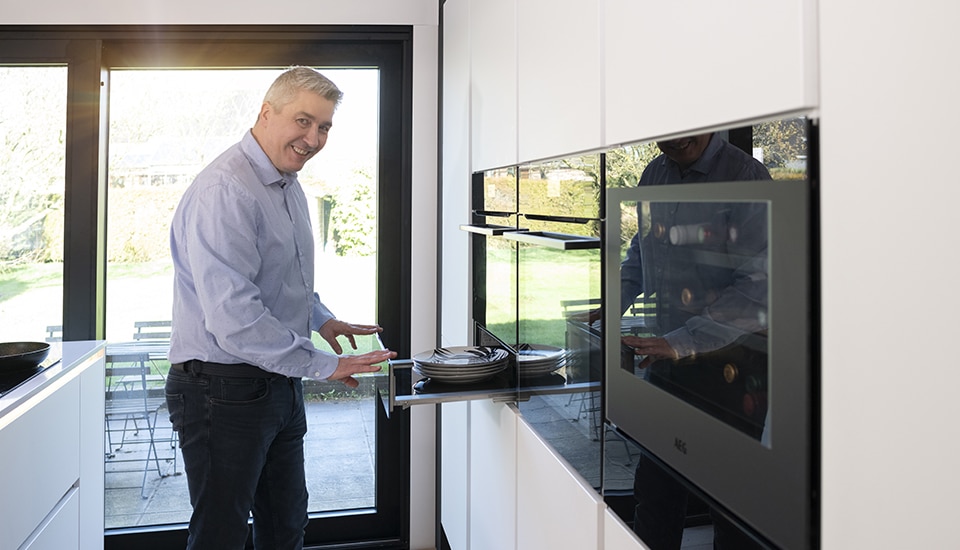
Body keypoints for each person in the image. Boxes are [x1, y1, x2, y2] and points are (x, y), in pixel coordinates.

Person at [165, 66, 397, 550]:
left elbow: (284, 279)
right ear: (266, 113)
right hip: (220, 389)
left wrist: (322, 320)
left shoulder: (286, 184)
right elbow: (236, 322)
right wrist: (323, 365)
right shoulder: (225, 192)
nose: (313, 138)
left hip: (275, 383)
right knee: (221, 536)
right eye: (304, 121)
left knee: (286, 524)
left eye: (325, 127)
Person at [619, 132, 771, 550]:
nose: (675, 139)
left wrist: (683, 340)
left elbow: (758, 287)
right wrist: (615, 297)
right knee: (655, 493)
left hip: (734, 364)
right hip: (668, 357)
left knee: (732, 504)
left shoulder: (746, 176)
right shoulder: (654, 173)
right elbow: (644, 247)